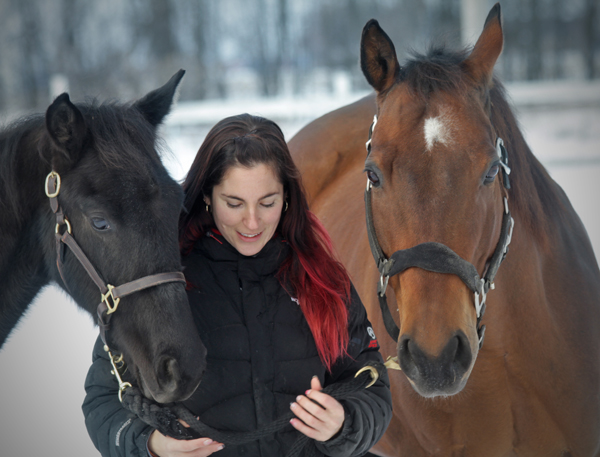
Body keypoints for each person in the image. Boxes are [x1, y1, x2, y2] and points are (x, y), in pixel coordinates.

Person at [82, 113, 392, 457]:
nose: (252, 222)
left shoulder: (321, 279)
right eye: (234, 203)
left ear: (287, 198)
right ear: (207, 197)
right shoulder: (160, 284)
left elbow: (372, 383)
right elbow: (104, 400)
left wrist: (345, 422)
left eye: (267, 202)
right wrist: (150, 444)